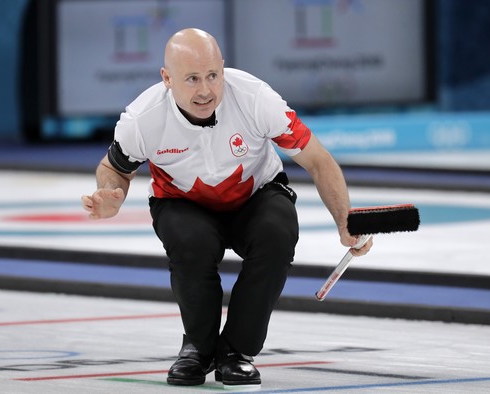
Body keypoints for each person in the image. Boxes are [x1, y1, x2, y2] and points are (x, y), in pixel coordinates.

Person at [81, 28, 373, 389]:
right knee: (193, 245)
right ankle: (198, 350)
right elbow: (114, 169)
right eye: (191, 79)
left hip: (256, 195)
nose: (205, 90)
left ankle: (236, 352)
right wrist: (110, 194)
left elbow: (317, 159)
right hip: (182, 203)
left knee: (277, 233)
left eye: (212, 76)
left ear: (223, 69)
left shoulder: (255, 98)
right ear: (167, 79)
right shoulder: (143, 118)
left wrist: (345, 219)